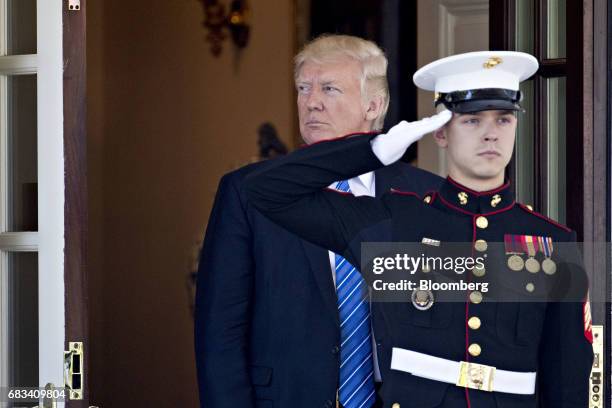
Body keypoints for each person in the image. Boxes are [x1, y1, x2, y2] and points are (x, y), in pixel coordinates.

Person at [244, 51, 594, 407]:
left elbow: (567, 380)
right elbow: (265, 191)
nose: (490, 134)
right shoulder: (393, 224)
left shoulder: (551, 243)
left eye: (503, 120)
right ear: (440, 133)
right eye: (472, 120)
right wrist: (374, 149)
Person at [194, 34, 443, 408]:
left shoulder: (428, 195)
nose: (311, 102)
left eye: (329, 89)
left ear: (372, 105)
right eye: (303, 88)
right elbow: (220, 333)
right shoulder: (247, 191)